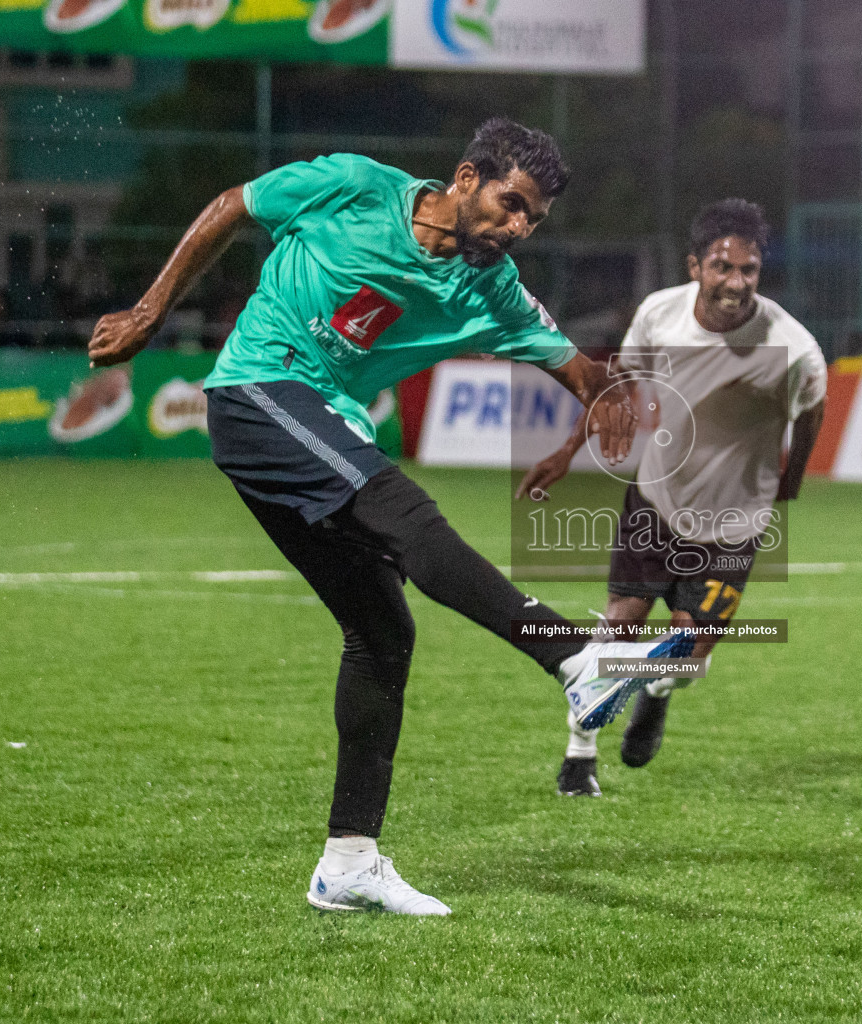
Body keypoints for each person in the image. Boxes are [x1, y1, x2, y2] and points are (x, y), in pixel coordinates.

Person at [86, 118, 694, 917]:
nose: (517, 228)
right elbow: (236, 203)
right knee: (405, 515)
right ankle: (577, 662)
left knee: (382, 633)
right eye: (511, 204)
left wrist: (605, 394)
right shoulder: (354, 186)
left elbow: (573, 364)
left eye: (533, 220)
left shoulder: (492, 287)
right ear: (466, 177)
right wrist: (149, 310)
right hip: (260, 390)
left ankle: (348, 862)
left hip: (322, 425)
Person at [514, 199, 827, 797]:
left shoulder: (793, 347)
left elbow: (814, 411)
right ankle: (580, 755)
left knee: (692, 656)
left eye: (749, 270)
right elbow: (618, 387)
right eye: (722, 267)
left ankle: (656, 690)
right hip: (656, 501)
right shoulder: (659, 314)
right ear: (695, 267)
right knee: (619, 626)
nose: (736, 282)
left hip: (735, 524)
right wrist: (565, 451)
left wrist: (796, 475)